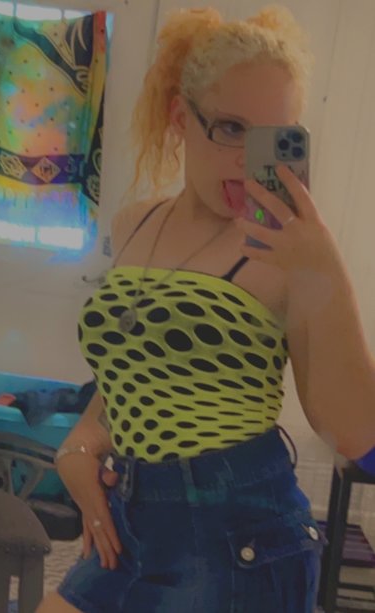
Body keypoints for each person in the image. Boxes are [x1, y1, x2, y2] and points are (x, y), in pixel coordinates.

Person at [37, 5, 375, 612]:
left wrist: (324, 268)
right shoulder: (134, 224)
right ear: (180, 118)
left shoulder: (287, 253)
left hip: (238, 537)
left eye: (273, 137)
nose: (249, 158)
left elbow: (352, 432)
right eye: (230, 128)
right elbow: (136, 371)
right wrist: (79, 445)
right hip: (131, 522)